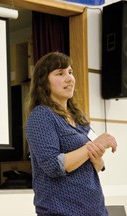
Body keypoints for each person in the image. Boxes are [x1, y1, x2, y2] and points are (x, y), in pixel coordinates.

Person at [25, 52, 117, 216]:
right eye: (60, 73)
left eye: (70, 72)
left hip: (95, 210)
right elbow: (53, 166)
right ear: (43, 82)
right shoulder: (42, 115)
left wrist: (96, 155)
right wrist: (93, 147)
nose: (69, 78)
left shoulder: (78, 117)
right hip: (61, 211)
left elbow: (98, 166)